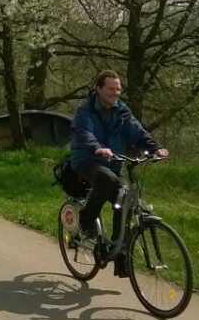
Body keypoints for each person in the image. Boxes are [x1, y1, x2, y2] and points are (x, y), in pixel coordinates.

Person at [69, 70, 168, 277]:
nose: (116, 93)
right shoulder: (85, 110)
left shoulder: (122, 111)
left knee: (125, 198)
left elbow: (137, 131)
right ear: (99, 88)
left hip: (113, 163)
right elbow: (84, 132)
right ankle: (86, 220)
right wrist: (97, 147)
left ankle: (118, 250)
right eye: (111, 89)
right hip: (87, 159)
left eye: (119, 89)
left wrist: (155, 147)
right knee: (106, 179)